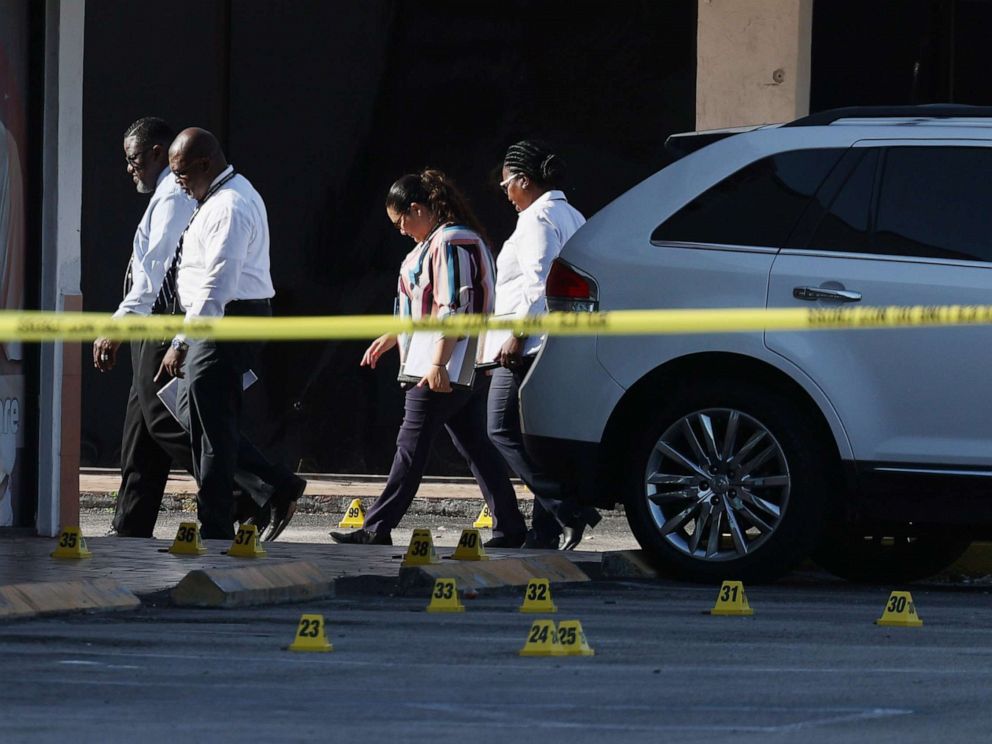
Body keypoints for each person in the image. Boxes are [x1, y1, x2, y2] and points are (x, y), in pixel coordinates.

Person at [95, 117, 300, 540]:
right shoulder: (207, 195)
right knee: (148, 426)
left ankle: (253, 494)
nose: (130, 170)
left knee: (186, 422)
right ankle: (133, 524)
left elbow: (181, 277)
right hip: (184, 318)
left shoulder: (204, 200)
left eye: (135, 159)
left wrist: (176, 337)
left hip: (182, 318)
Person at [331, 169, 527, 547]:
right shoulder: (443, 240)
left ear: (418, 208)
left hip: (444, 365)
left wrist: (438, 363)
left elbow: (456, 305)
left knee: (411, 446)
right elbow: (427, 304)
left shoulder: (451, 241)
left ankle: (377, 527)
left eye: (401, 220)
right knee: (474, 446)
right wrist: (395, 335)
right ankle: (511, 525)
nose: (401, 229)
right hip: (450, 363)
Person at [157, 127, 304, 540]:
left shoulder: (231, 206)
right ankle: (276, 483)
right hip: (214, 318)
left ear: (205, 163)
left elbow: (218, 283)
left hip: (226, 320)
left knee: (213, 428)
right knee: (194, 414)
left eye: (182, 174)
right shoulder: (216, 198)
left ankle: (216, 526)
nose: (179, 184)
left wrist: (183, 341)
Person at [486, 140, 600, 550]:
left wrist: (517, 333)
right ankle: (546, 532)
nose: (507, 196)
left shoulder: (536, 219)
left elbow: (540, 282)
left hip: (530, 343)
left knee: (499, 429)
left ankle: (565, 508)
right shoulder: (573, 215)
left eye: (506, 187)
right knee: (538, 435)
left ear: (523, 180)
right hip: (564, 341)